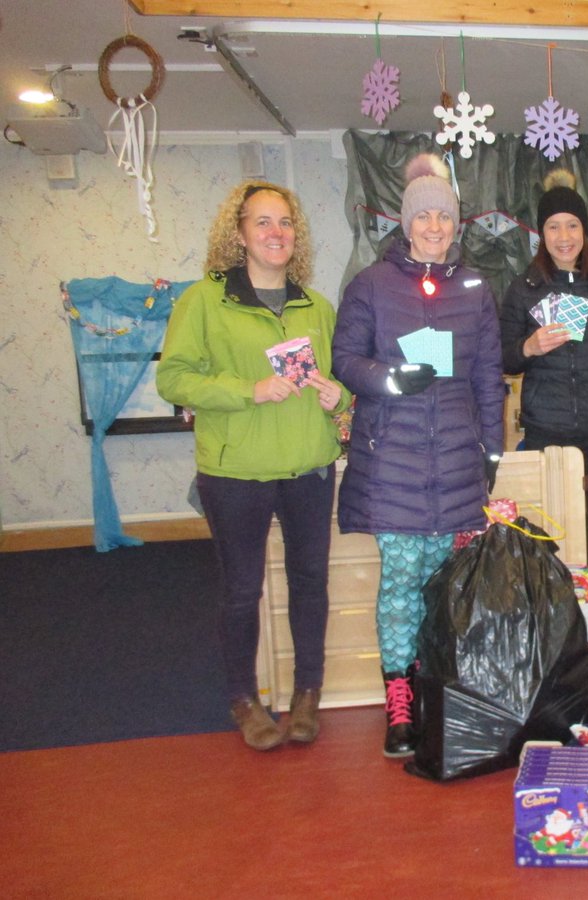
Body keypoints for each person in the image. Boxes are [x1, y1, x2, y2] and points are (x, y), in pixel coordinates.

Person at [158, 181, 350, 751]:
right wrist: (250, 389)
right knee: (242, 589)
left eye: (285, 222)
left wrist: (334, 396)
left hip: (308, 468)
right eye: (262, 222)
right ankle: (244, 698)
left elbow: (343, 386)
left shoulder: (316, 306)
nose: (276, 233)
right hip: (235, 471)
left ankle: (307, 693)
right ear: (238, 232)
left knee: (311, 583)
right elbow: (174, 379)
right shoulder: (203, 300)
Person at [333, 153, 505, 758]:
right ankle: (400, 701)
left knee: (446, 586)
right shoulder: (370, 285)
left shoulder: (476, 288)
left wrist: (493, 451)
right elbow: (345, 360)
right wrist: (390, 379)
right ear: (405, 223)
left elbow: (489, 374)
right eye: (423, 215)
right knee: (402, 583)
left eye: (445, 216)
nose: (435, 226)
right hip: (395, 463)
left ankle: (438, 687)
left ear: (457, 224)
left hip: (457, 462)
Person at [499, 169, 588, 698]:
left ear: (586, 231)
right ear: (542, 233)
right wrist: (528, 349)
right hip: (547, 434)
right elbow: (500, 353)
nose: (563, 236)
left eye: (572, 226)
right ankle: (559, 652)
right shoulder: (524, 288)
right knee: (545, 547)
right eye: (554, 226)